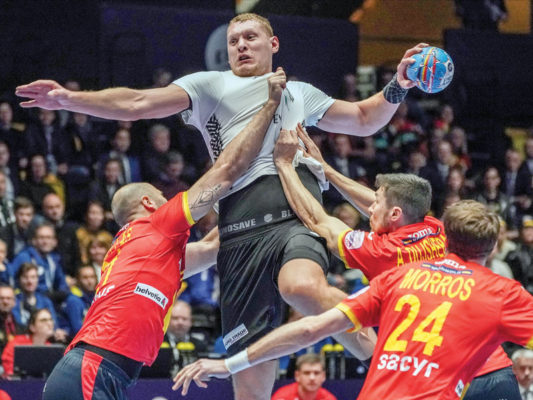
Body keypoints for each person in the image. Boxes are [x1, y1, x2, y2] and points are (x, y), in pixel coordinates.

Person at [16, 13, 426, 399]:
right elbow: (138, 102)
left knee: (300, 287)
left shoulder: (298, 92)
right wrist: (69, 99)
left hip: (291, 204)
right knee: (250, 383)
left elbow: (364, 118)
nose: (241, 46)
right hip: (236, 227)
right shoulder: (209, 85)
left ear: (273, 44)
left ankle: (392, 363)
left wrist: (399, 84)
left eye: (250, 38)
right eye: (233, 41)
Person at [39, 69, 285, 400]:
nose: (170, 201)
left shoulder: (141, 249)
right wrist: (268, 108)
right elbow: (226, 171)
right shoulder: (155, 225)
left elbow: (214, 246)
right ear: (147, 204)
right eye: (162, 197)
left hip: (95, 371)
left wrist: (271, 206)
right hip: (93, 371)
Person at [174, 200, 533, 400]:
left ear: (445, 238)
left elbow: (311, 329)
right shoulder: (503, 292)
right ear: (494, 248)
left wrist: (228, 364)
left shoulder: (399, 277)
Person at [272, 127, 518, 400]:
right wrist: (326, 170)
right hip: (495, 370)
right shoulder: (435, 228)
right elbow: (391, 207)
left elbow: (318, 220)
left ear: (394, 214)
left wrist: (284, 165)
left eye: (376, 202)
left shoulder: (379, 251)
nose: (370, 208)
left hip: (445, 379)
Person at [1, 308, 55, 378]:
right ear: (32, 327)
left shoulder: (52, 348)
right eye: (43, 320)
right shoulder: (17, 343)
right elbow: (8, 368)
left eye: (50, 319)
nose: (49, 323)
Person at [163, 300, 207, 375]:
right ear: (167, 320)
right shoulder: (157, 343)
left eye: (184, 319)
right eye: (175, 318)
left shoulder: (200, 345)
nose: (180, 322)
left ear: (191, 321)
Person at [272, 354, 336, 400]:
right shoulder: (282, 397)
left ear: (323, 376)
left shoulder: (329, 398)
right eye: (306, 373)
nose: (312, 378)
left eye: (316, 373)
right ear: (297, 375)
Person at [0, 284, 24, 355]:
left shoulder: (22, 328)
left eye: (8, 298)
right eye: (1, 298)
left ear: (14, 302)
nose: (5, 302)